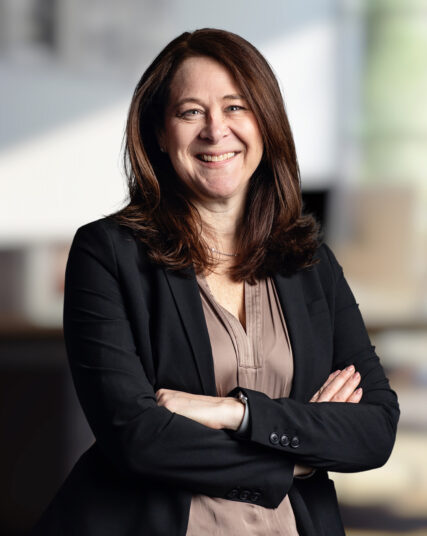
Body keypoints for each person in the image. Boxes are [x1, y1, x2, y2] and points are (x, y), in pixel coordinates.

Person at [31, 28, 399, 536]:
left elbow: (375, 429)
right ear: (160, 133)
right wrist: (297, 454)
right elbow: (138, 438)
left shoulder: (310, 263)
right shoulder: (106, 253)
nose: (215, 130)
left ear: (265, 124)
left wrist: (233, 413)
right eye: (190, 112)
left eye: (235, 107)